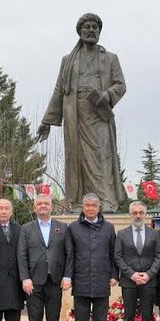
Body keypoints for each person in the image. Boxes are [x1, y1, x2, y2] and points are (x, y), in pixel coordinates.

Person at [37, 13, 127, 211]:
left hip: (99, 114)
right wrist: (47, 121)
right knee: (77, 159)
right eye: (87, 27)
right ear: (80, 31)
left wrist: (108, 95)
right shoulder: (68, 60)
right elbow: (59, 90)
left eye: (95, 27)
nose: (91, 30)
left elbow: (120, 85)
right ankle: (79, 201)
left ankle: (106, 201)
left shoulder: (110, 58)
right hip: (75, 115)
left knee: (101, 156)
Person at [18, 194, 72, 321]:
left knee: (53, 316)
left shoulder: (63, 227)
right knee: (34, 316)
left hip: (55, 280)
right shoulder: (26, 228)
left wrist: (67, 276)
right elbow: (21, 255)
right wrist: (25, 278)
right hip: (33, 281)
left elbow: (69, 254)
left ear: (51, 206)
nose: (43, 206)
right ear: (35, 207)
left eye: (46, 203)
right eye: (39, 203)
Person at [67, 193, 118, 321]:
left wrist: (113, 275)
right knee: (81, 319)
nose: (90, 208)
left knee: (101, 319)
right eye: (87, 205)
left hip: (101, 280)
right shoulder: (73, 227)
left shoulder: (109, 228)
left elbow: (113, 254)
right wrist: (68, 277)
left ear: (99, 207)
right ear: (83, 207)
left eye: (93, 205)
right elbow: (70, 255)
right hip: (80, 279)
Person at [114, 201, 160, 321]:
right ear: (130, 215)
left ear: (145, 214)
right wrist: (131, 274)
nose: (138, 215)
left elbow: (159, 256)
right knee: (128, 316)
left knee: (148, 316)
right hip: (129, 282)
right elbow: (118, 256)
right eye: (134, 213)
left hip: (149, 282)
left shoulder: (154, 234)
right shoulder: (121, 234)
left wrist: (149, 274)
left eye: (141, 212)